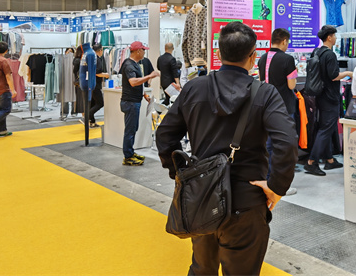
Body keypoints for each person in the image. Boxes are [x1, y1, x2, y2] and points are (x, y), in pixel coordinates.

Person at [156, 21, 297, 275]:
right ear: (253, 57)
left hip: (202, 196)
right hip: (246, 199)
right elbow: (286, 142)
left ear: (218, 54)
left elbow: (165, 135)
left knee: (202, 269)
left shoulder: (194, 88)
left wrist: (182, 175)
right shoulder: (266, 94)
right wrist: (277, 187)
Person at [304, 25, 353, 176]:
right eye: (335, 35)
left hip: (320, 95)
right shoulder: (330, 55)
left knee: (326, 127)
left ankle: (329, 159)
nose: (336, 38)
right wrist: (348, 73)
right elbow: (333, 76)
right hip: (330, 96)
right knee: (326, 128)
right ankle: (312, 161)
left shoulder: (317, 51)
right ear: (329, 37)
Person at [258, 28, 298, 191]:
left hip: (266, 106)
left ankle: (268, 178)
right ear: (284, 41)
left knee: (268, 144)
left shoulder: (262, 58)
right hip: (284, 106)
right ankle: (280, 184)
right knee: (285, 144)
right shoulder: (287, 59)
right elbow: (291, 85)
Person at [120, 41, 159, 166]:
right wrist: (149, 76)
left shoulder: (135, 64)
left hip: (134, 101)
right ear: (138, 51)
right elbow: (133, 82)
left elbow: (138, 83)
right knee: (130, 130)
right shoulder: (129, 65)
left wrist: (144, 94)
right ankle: (128, 156)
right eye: (143, 50)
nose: (144, 52)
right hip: (130, 102)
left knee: (133, 128)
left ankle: (130, 152)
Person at [87, 43, 109, 128]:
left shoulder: (91, 58)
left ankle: (92, 121)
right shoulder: (97, 59)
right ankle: (89, 115)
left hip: (91, 83)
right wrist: (105, 75)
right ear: (100, 50)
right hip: (95, 84)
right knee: (100, 103)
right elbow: (97, 72)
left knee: (93, 103)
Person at [73, 46, 85, 120]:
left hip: (79, 82)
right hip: (80, 82)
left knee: (81, 98)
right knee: (81, 98)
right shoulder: (78, 60)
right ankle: (83, 115)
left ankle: (84, 115)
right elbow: (75, 71)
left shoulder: (77, 60)